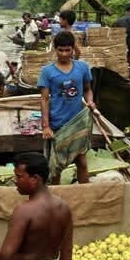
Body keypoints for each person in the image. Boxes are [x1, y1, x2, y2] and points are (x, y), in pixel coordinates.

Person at [38, 31, 95, 184]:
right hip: (58, 123)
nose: (64, 54)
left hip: (78, 122)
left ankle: (85, 194)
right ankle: (56, 198)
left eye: (67, 50)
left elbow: (88, 89)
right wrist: (46, 126)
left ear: (72, 49)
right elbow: (44, 99)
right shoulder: (47, 71)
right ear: (55, 49)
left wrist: (90, 101)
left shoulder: (82, 67)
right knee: (57, 166)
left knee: (82, 163)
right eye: (60, 50)